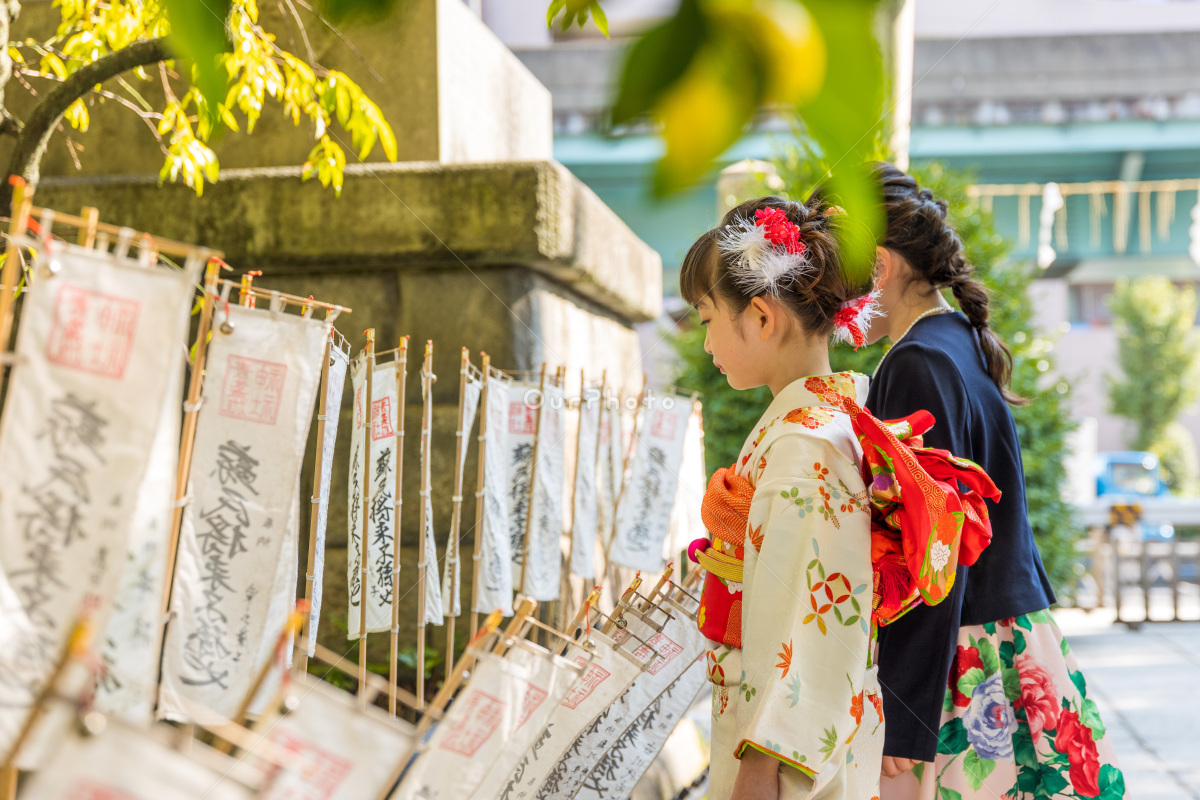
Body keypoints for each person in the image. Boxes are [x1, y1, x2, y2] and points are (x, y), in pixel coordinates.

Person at [863, 163, 1124, 800]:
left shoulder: (917, 362)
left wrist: (905, 716)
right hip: (1008, 640)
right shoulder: (957, 343)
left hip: (961, 663)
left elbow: (933, 552)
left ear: (877, 266)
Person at [680, 195, 888, 800]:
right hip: (782, 725)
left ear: (762, 317)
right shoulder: (830, 419)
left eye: (706, 318)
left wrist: (762, 761)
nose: (706, 343)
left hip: (783, 755)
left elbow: (810, 618)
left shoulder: (805, 447)